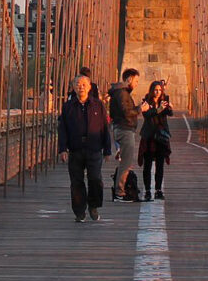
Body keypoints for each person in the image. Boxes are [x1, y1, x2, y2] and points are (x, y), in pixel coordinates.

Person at [57, 67, 112, 223]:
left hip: (94, 148)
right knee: (76, 182)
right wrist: (62, 149)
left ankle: (93, 206)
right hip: (75, 149)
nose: (80, 87)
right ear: (73, 88)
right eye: (77, 84)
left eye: (83, 84)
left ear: (89, 87)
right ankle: (79, 212)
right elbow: (63, 129)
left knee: (95, 179)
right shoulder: (67, 107)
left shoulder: (98, 105)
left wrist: (107, 149)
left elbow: (104, 128)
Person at [108, 68, 143, 201]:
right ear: (129, 79)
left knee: (126, 162)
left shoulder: (119, 92)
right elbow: (126, 112)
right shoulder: (122, 93)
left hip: (122, 128)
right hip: (125, 129)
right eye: (136, 81)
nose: (137, 84)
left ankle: (120, 190)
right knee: (126, 163)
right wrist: (140, 109)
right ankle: (119, 192)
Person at [139, 79, 174, 200]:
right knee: (147, 165)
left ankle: (158, 190)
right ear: (151, 90)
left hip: (161, 137)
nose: (157, 92)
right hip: (149, 136)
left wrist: (169, 107)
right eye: (155, 90)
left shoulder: (164, 100)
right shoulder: (145, 102)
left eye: (160, 90)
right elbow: (147, 115)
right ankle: (148, 190)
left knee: (160, 164)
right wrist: (158, 109)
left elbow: (170, 114)